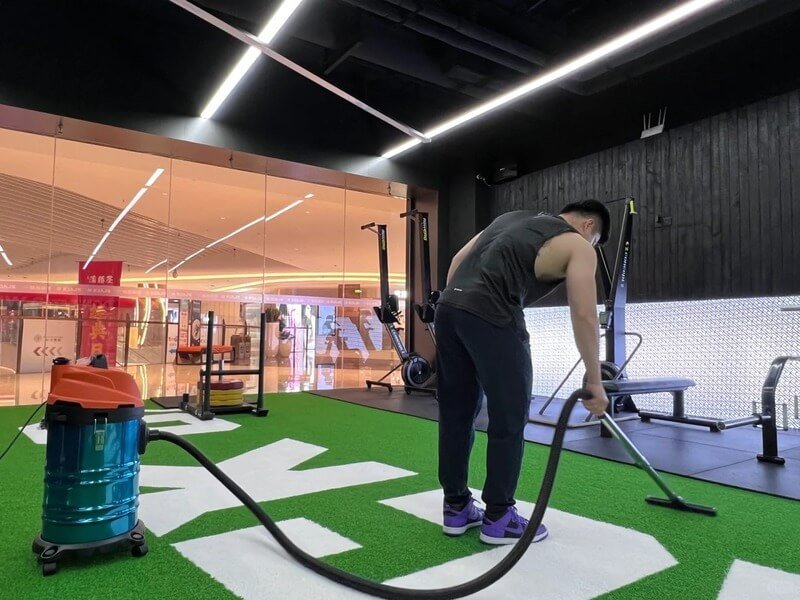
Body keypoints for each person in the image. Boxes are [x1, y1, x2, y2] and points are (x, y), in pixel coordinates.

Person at [435, 200, 611, 545]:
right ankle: (499, 517)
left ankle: (456, 508)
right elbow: (585, 314)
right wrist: (594, 378)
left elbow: (458, 262)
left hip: (449, 308)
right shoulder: (578, 244)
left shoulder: (509, 218)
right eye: (595, 240)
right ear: (589, 226)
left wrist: (462, 306)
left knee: (456, 414)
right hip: (493, 312)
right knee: (509, 416)